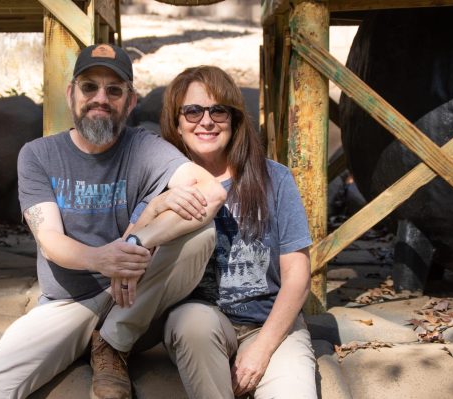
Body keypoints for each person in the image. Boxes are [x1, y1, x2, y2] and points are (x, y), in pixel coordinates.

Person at [0, 45, 226, 399]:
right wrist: (101, 259)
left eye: (114, 90)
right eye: (89, 87)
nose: (101, 98)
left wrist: (136, 241)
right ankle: (104, 339)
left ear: (130, 102)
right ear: (71, 94)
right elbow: (50, 239)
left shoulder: (144, 148)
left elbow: (211, 192)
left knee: (198, 233)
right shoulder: (39, 155)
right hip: (68, 302)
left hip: (135, 299)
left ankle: (113, 342)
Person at [132, 65, 316, 399]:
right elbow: (132, 256)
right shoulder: (160, 184)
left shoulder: (275, 178)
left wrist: (261, 349)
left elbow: (298, 275)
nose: (206, 121)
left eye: (218, 110)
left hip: (272, 325)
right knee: (191, 322)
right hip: (202, 323)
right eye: (192, 111)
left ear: (234, 119)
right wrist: (157, 207)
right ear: (175, 122)